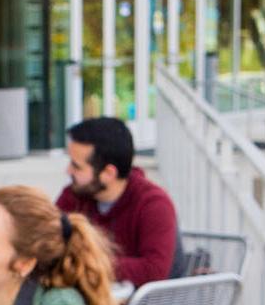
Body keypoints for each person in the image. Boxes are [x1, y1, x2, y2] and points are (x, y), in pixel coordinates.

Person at [57, 117, 177, 288]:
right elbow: (50, 242)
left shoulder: (154, 204)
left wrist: (86, 262)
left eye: (77, 166)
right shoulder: (73, 195)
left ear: (108, 173)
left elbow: (154, 270)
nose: (68, 171)